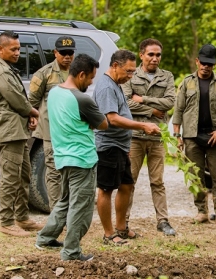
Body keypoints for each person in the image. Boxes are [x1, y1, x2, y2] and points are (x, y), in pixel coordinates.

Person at [35, 54, 107, 261]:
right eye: (91, 77)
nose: (92, 82)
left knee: (65, 201)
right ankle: (71, 251)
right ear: (81, 74)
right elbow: (103, 124)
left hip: (62, 157)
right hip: (82, 160)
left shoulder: (55, 92)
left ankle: (45, 238)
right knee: (81, 207)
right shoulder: (82, 99)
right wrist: (88, 123)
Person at [93, 49, 161, 245]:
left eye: (133, 72)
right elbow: (112, 118)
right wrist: (142, 125)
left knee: (126, 185)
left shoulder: (116, 84)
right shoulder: (106, 87)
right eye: (128, 71)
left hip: (121, 145)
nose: (130, 76)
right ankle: (108, 234)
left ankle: (121, 228)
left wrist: (126, 143)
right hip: (108, 145)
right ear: (115, 66)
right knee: (106, 189)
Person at [172, 44, 216, 227]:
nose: (206, 67)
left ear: (214, 64)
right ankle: (201, 211)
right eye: (203, 63)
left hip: (215, 136)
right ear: (197, 61)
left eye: (210, 64)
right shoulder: (186, 83)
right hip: (192, 137)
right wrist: (177, 136)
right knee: (196, 176)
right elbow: (178, 110)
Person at [0, 30, 43, 237]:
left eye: (19, 49)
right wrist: (33, 111)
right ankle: (6, 222)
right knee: (10, 178)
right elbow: (16, 100)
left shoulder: (7, 68)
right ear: (0, 49)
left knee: (24, 175)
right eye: (13, 49)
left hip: (17, 130)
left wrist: (28, 114)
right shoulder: (1, 71)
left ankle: (22, 217)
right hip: (9, 132)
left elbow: (19, 99)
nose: (17, 52)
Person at [121, 39, 176, 236]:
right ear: (142, 55)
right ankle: (123, 221)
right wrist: (153, 109)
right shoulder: (131, 74)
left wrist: (143, 99)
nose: (155, 58)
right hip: (135, 136)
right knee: (129, 180)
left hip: (157, 137)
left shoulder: (167, 76)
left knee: (157, 181)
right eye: (151, 54)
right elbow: (126, 103)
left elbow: (170, 102)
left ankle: (162, 220)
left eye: (158, 55)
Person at [29, 36, 76, 210]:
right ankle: (56, 210)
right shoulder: (44, 74)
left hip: (72, 131)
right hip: (51, 131)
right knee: (53, 171)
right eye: (63, 53)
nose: (67, 56)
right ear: (55, 53)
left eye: (70, 53)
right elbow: (32, 102)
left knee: (71, 169)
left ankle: (69, 207)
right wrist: (33, 118)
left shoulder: (77, 72)